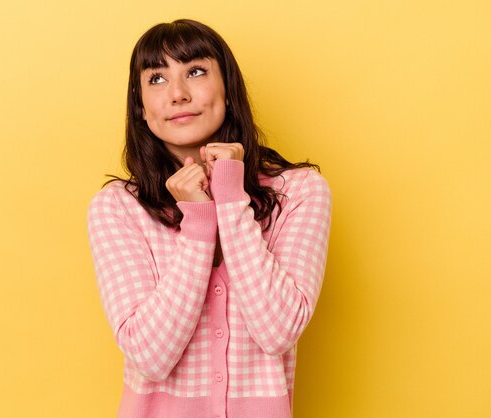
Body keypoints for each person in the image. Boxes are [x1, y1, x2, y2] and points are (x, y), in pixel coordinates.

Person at [87, 18, 332, 418]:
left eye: (195, 72)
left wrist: (230, 198)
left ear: (229, 91)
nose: (178, 94)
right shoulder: (118, 208)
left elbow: (278, 331)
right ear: (141, 106)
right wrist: (198, 222)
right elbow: (150, 356)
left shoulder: (300, 192)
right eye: (157, 79)